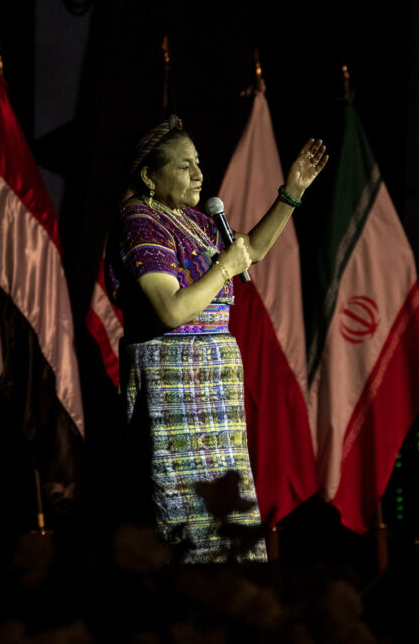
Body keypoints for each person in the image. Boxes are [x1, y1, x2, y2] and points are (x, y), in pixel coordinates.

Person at [106, 114, 327, 563]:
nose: (198, 175)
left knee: (227, 523)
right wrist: (223, 267)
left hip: (213, 397)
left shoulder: (191, 219)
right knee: (185, 524)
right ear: (149, 175)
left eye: (199, 163)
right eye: (184, 165)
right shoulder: (140, 220)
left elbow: (250, 251)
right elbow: (170, 308)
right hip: (174, 392)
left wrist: (293, 193)